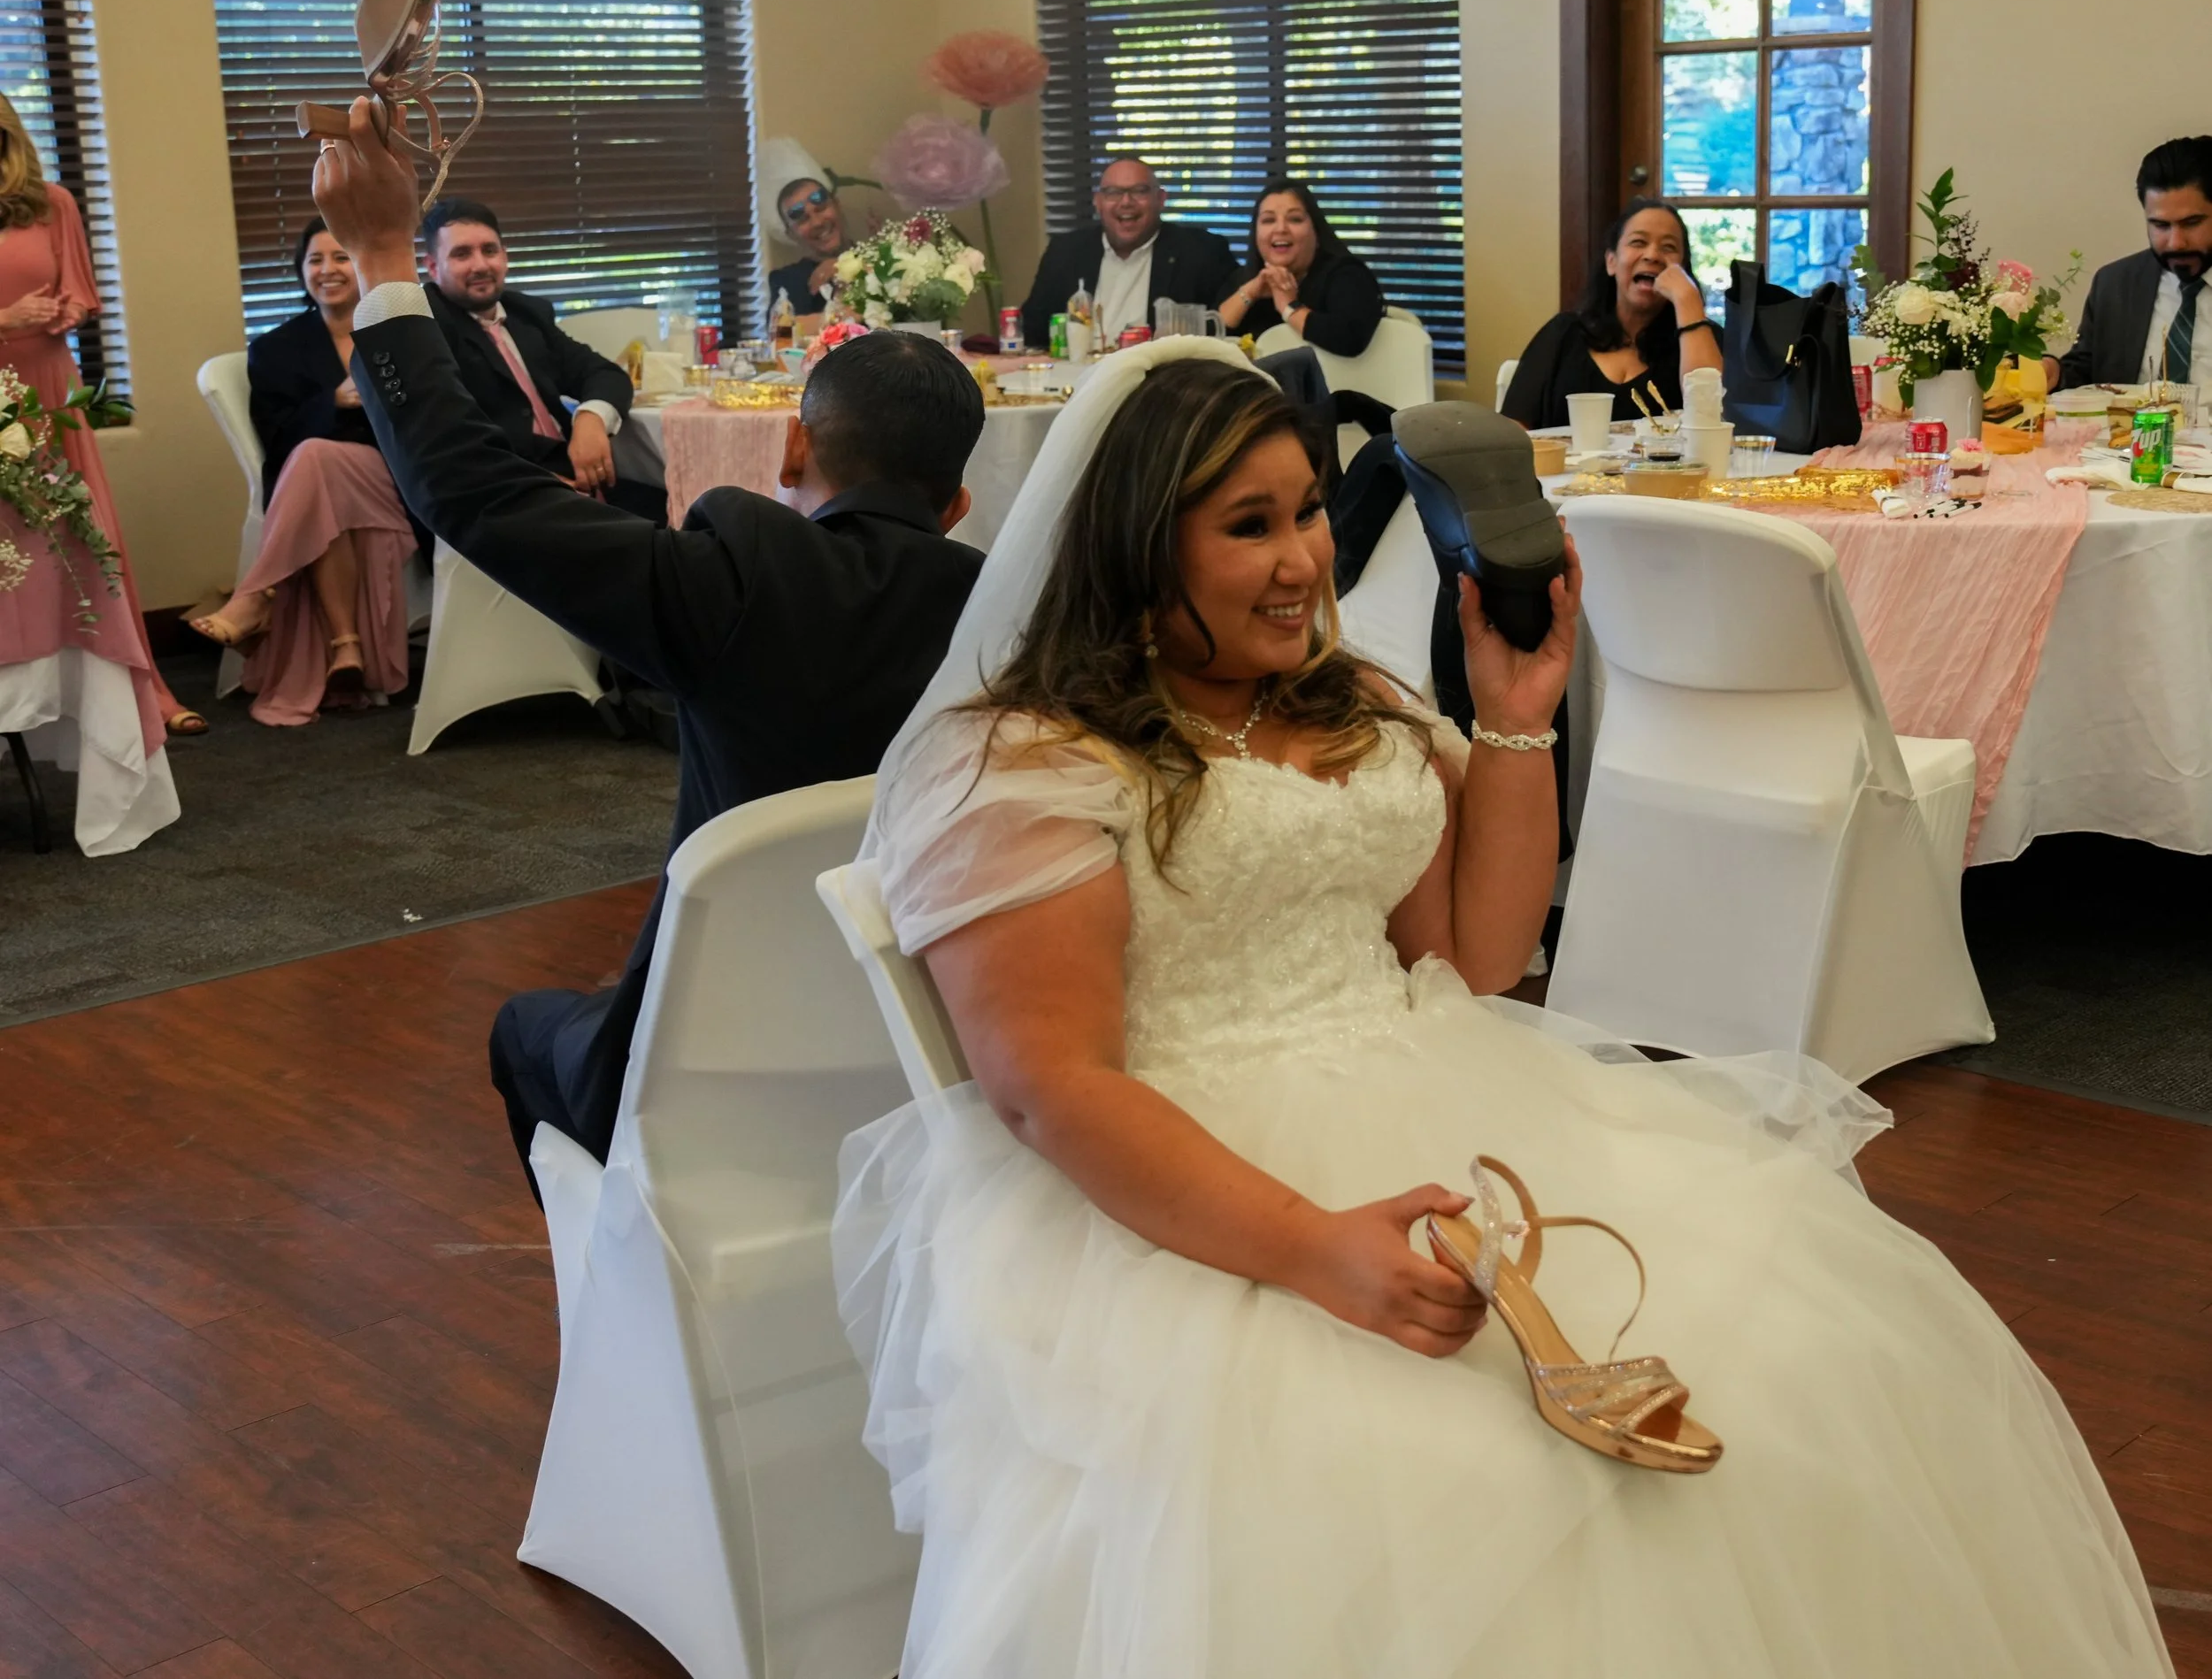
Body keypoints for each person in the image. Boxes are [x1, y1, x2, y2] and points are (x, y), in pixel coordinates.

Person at [831, 339, 2170, 1677]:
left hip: (1432, 1085)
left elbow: (1473, 957)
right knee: (1466, 1482)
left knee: (1800, 1361)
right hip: (1182, 1182)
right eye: (1249, 527)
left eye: (1309, 510)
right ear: (1132, 549)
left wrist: (1516, 716)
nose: (1305, 561)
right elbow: (1048, 1085)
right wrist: (1311, 1248)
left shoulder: (1344, 699)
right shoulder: (1028, 763)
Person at [311, 96, 987, 1183]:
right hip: (947, 1031)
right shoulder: (1013, 620)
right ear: (958, 502)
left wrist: (384, 253)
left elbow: (468, 491)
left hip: (708, 1046)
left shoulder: (725, 589)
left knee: (527, 1030)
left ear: (791, 447)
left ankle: (622, 1262)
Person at [0, 91, 204, 739]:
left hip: (49, 393)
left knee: (82, 543)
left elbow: (81, 294)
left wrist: (61, 311)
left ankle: (142, 693)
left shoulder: (50, 202)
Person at [188, 218, 418, 724]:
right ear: (301, 272)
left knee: (318, 462)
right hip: (321, 483)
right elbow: (275, 439)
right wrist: (332, 402)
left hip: (402, 480)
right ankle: (348, 649)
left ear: (361, 268)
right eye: (315, 260)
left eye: (340, 258)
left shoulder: (398, 335)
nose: (328, 270)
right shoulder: (276, 348)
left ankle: (253, 597)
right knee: (319, 467)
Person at [418, 196, 662, 520]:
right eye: (462, 254)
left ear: (504, 256)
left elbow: (603, 373)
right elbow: (449, 439)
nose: (480, 265)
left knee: (692, 509)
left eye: (489, 250)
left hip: (580, 477)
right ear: (433, 267)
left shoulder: (527, 315)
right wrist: (536, 484)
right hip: (507, 496)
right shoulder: (426, 327)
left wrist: (590, 420)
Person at [1503, 197, 1723, 428]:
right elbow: (1512, 433)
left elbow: (1709, 421)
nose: (1653, 255)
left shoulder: (1703, 340)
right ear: (1611, 262)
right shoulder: (1563, 333)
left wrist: (1688, 302)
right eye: (1638, 242)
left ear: (1684, 270)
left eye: (1669, 247)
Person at [1019, 156, 1236, 349]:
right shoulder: (1065, 251)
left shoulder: (1202, 252)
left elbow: (1227, 332)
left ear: (1160, 199)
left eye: (1139, 191)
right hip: (1080, 381)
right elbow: (1033, 331)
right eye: (1113, 193)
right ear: (1098, 202)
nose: (1126, 202)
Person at [2048, 134, 2212, 388]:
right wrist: (2054, 372)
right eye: (2160, 225)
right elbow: (2085, 373)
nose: (2176, 242)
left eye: (2191, 223)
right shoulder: (2114, 284)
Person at [1215, 177, 1388, 356]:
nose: (1280, 228)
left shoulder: (1347, 274)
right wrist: (1249, 293)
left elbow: (1350, 339)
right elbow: (1210, 338)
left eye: (1295, 219)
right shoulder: (1243, 278)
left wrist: (1289, 307)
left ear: (1316, 232)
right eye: (1268, 220)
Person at [766, 174, 850, 323]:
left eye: (821, 209)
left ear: (837, 206)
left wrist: (844, 266)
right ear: (791, 234)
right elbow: (782, 332)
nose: (817, 222)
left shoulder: (877, 260)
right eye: (804, 219)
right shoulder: (786, 282)